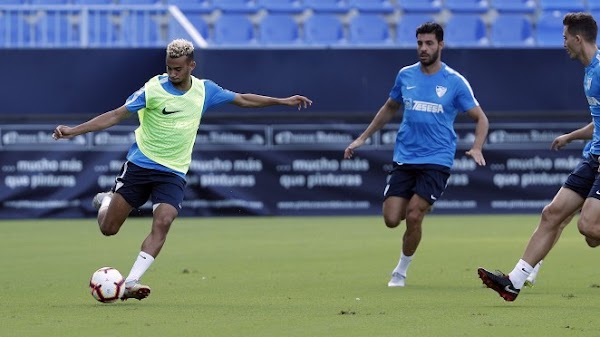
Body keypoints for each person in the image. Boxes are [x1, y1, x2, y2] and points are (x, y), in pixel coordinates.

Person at [52, 39, 312, 301]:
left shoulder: (204, 91)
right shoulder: (153, 89)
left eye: (178, 69)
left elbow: (243, 99)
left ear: (191, 66)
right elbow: (116, 115)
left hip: (173, 172)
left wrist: (282, 101)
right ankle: (107, 201)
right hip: (140, 166)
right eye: (169, 68)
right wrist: (73, 131)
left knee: (164, 221)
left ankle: (131, 282)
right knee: (109, 229)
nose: (172, 73)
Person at [344, 22, 489, 287]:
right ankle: (421, 205)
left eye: (429, 43)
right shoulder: (405, 76)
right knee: (391, 219)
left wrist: (477, 146)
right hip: (406, 157)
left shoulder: (454, 82)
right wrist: (363, 138)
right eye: (420, 43)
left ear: (441, 45)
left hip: (437, 159)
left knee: (413, 215)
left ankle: (400, 271)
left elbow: (481, 119)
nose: (423, 48)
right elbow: (389, 107)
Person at [477, 12, 600, 302]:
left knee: (588, 227)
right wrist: (571, 136)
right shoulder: (589, 71)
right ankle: (513, 281)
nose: (563, 43)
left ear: (577, 38)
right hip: (594, 156)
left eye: (565, 37)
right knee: (552, 214)